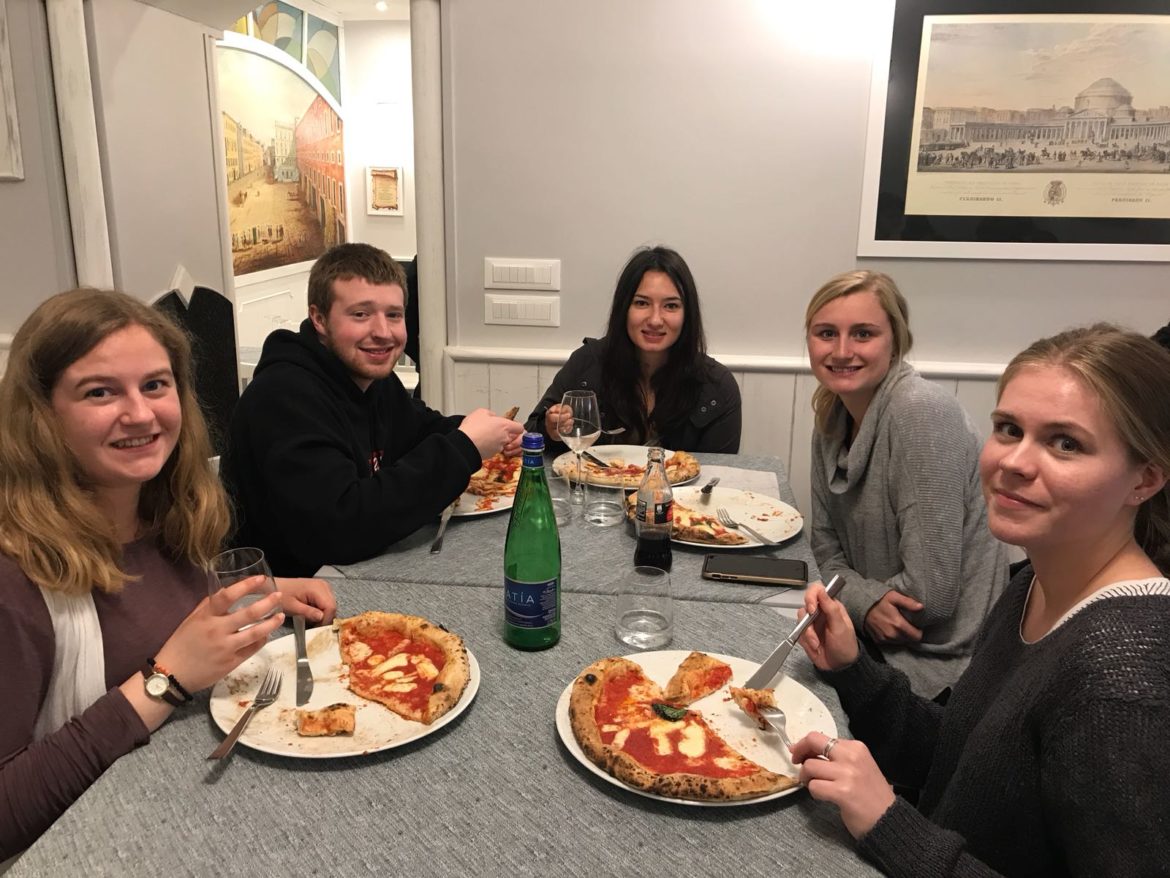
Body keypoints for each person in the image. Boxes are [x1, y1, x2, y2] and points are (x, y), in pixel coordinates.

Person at [792, 324, 1170, 877]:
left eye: (1066, 443)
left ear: (1146, 479)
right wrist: (854, 671)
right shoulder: (1033, 583)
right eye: (1009, 429)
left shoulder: (1121, 677)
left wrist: (890, 823)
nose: (1016, 461)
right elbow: (960, 760)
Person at [0, 289, 336, 860]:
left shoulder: (166, 512)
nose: (140, 413)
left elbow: (162, 617)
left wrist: (263, 595)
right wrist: (164, 681)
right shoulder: (13, 577)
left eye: (156, 385)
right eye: (100, 392)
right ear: (42, 414)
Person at [224, 243, 523, 576]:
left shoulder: (371, 379)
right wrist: (465, 446)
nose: (383, 333)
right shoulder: (283, 397)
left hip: (364, 570)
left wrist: (489, 433)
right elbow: (341, 527)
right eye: (361, 314)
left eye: (393, 315)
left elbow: (419, 430)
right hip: (286, 602)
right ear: (319, 319)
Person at [805, 270, 1006, 697]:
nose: (842, 351)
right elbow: (823, 546)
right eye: (826, 333)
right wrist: (864, 603)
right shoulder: (829, 416)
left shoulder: (921, 414)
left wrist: (855, 601)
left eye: (863, 334)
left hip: (940, 669)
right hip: (866, 632)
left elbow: (928, 597)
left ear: (896, 340)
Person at [525, 246, 741, 453]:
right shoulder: (587, 362)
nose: (655, 320)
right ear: (624, 309)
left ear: (688, 315)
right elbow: (530, 437)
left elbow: (721, 477)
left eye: (671, 306)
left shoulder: (717, 387)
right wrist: (550, 429)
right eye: (642, 303)